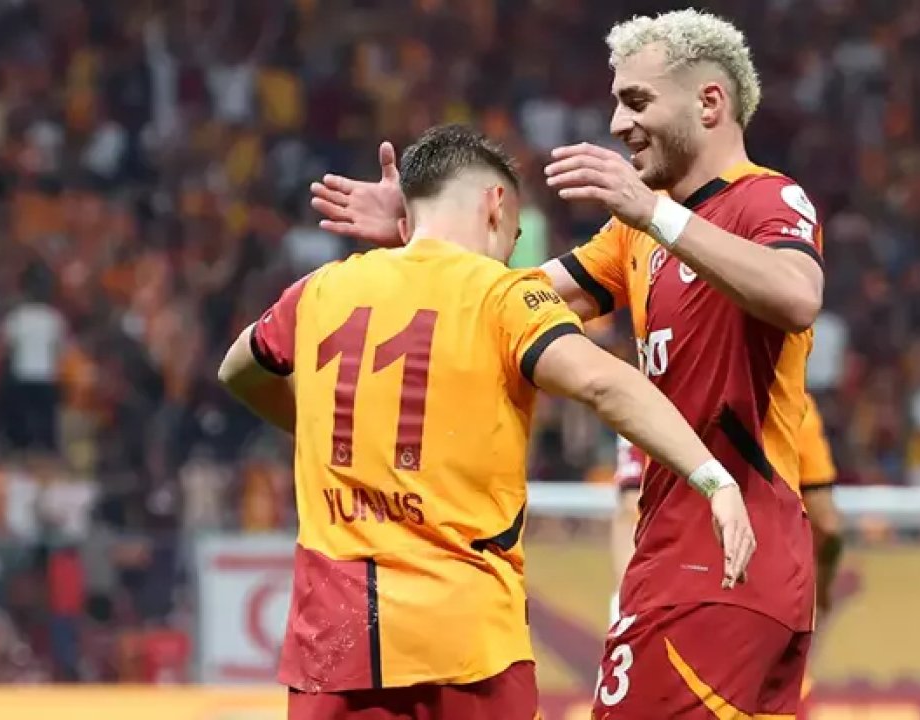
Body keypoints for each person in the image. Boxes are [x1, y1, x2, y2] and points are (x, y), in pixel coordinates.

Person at [309, 9, 825, 718]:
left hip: (716, 556)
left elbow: (797, 296)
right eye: (617, 102)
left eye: (637, 101)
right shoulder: (633, 234)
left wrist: (653, 214)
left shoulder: (765, 198)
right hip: (706, 556)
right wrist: (422, 235)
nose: (618, 123)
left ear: (710, 102)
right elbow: (499, 303)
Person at [218, 124, 757, 720]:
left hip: (333, 646)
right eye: (515, 237)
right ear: (495, 205)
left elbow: (238, 369)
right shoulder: (501, 296)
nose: (509, 254)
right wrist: (714, 478)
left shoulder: (320, 290)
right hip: (464, 643)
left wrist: (320, 426)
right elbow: (603, 383)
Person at [609, 393, 844, 628]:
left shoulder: (649, 395)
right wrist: (820, 598)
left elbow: (630, 510)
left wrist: (627, 609)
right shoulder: (791, 402)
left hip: (670, 592)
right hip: (767, 596)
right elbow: (825, 522)